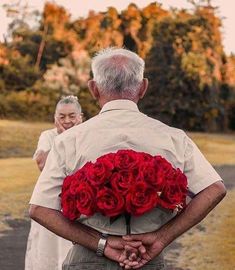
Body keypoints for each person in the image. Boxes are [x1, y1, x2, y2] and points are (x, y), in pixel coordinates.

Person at [29, 48, 226, 270]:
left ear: (94, 89)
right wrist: (161, 237)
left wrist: (102, 244)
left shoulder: (70, 139)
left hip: (88, 259)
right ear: (143, 87)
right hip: (146, 257)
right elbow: (215, 189)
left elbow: (39, 208)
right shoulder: (173, 137)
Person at [25, 96, 83, 270]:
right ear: (55, 118)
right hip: (50, 203)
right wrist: (64, 137)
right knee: (47, 251)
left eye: (72, 116)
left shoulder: (87, 134)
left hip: (77, 202)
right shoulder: (48, 136)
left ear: (81, 116)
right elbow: (42, 164)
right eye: (62, 116)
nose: (67, 121)